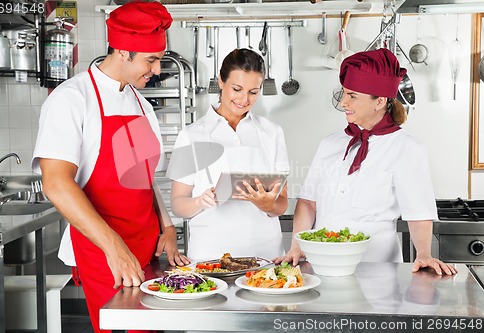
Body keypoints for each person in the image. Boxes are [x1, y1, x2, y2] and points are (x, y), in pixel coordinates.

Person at [32, 2, 189, 332]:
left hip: (147, 251)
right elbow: (57, 184)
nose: (158, 69)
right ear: (123, 52)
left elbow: (144, 179)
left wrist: (168, 226)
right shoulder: (72, 99)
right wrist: (114, 248)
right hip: (105, 253)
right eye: (151, 60)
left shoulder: (141, 103)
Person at [274, 48, 456, 276]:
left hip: (378, 270)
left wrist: (423, 254)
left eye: (352, 96)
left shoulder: (407, 148)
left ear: (379, 101)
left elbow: (417, 212)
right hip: (322, 267)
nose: (343, 103)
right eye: (343, 93)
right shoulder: (330, 144)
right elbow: (309, 202)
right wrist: (297, 247)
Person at [167, 48, 290, 261]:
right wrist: (200, 201)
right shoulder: (192, 135)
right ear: (221, 82)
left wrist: (267, 205)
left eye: (253, 92)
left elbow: (282, 203)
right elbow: (178, 204)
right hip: (210, 256)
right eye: (237, 89)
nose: (244, 99)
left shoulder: (272, 132)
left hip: (265, 255)